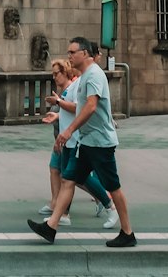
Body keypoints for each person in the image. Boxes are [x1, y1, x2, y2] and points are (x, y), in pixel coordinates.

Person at [28, 35, 136, 248]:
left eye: (72, 52)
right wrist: (61, 118)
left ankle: (127, 232)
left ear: (84, 54)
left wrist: (68, 130)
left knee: (113, 187)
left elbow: (90, 106)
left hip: (100, 142)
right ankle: (51, 227)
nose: (69, 55)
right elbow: (80, 107)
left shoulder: (94, 75)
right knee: (68, 180)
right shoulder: (86, 75)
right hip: (87, 141)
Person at [40, 57, 116, 229]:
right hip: (68, 139)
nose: (71, 59)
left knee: (81, 178)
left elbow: (80, 109)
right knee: (68, 178)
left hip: (77, 139)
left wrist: (59, 104)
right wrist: (58, 116)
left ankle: (108, 204)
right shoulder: (75, 86)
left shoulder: (82, 83)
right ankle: (61, 216)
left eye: (73, 54)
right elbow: (72, 111)